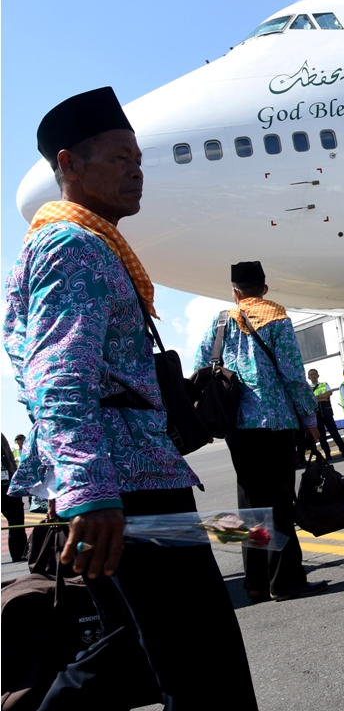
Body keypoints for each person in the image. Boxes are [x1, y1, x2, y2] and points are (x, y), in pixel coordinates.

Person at [4, 87, 258, 708]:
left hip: (130, 478)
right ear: (69, 165)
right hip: (126, 488)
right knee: (204, 664)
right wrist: (89, 493)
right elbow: (57, 376)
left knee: (143, 652)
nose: (136, 170)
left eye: (137, 158)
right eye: (119, 157)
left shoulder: (86, 244)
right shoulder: (75, 247)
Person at [195, 261, 329, 602]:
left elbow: (200, 365)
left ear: (235, 291)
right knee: (281, 500)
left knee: (251, 504)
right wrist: (310, 420)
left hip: (237, 426)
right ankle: (285, 580)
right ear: (264, 289)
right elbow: (293, 375)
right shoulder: (278, 318)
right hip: (276, 423)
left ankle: (255, 582)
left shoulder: (222, 320)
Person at [308, 368, 344, 458]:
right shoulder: (308, 388)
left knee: (334, 433)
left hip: (327, 413)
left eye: (315, 374)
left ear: (318, 375)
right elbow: (310, 399)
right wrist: (322, 398)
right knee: (322, 437)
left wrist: (317, 398)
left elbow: (328, 394)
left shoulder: (324, 384)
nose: (313, 376)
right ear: (309, 377)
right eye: (311, 374)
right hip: (317, 415)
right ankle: (327, 454)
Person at [2, 433, 27, 562]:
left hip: (6, 484)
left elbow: (10, 460)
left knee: (16, 518)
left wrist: (15, 480)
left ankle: (19, 552)